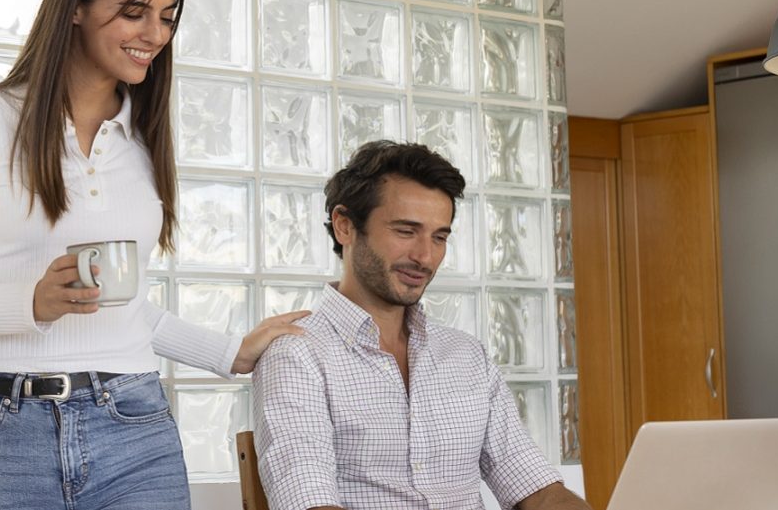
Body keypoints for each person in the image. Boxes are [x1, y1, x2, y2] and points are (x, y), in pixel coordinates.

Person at [0, 0, 305, 509]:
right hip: (3, 437)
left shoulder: (143, 137)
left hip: (134, 425)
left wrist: (229, 352)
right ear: (76, 7)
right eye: (134, 12)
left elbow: (123, 307)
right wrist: (32, 302)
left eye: (167, 16)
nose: (155, 34)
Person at [253, 141, 590, 510]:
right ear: (344, 226)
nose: (425, 257)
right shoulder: (296, 354)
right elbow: (309, 501)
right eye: (405, 231)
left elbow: (537, 490)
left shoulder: (466, 355)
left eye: (439, 237)